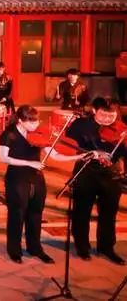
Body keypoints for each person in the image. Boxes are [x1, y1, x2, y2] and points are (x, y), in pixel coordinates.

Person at [0, 105, 86, 264]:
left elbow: (55, 155)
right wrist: (29, 163)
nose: (35, 125)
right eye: (31, 122)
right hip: (17, 178)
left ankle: (35, 248)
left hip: (36, 178)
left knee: (36, 214)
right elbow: (3, 157)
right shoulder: (9, 134)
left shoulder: (39, 135)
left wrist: (78, 157)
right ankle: (14, 250)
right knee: (17, 214)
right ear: (20, 120)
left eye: (37, 121)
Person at [66, 97, 126, 265]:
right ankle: (82, 246)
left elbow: (124, 152)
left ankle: (106, 247)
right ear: (94, 110)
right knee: (81, 211)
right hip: (86, 171)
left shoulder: (121, 128)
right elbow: (69, 146)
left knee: (109, 212)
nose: (107, 119)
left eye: (111, 116)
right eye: (103, 115)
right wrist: (91, 153)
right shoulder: (80, 125)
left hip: (110, 173)